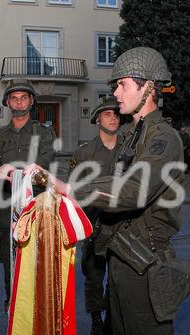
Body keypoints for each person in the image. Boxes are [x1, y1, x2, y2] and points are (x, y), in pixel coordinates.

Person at [26, 47, 184, 334]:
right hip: (121, 257)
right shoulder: (128, 137)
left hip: (146, 262)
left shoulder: (164, 139)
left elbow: (132, 191)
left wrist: (67, 187)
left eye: (122, 85)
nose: (117, 94)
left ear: (148, 88)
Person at [0, 79, 55, 311]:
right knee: (9, 263)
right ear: (7, 102)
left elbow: (45, 167)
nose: (19, 102)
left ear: (32, 101)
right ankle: (13, 305)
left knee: (39, 264)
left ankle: (38, 311)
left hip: (37, 211)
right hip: (8, 214)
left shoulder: (45, 134)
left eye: (24, 97)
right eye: (14, 98)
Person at [69, 96, 126, 335]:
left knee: (119, 277)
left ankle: (113, 316)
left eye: (115, 113)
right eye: (106, 114)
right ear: (96, 119)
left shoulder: (130, 149)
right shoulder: (84, 153)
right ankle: (95, 319)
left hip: (123, 226)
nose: (112, 117)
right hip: (94, 225)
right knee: (93, 277)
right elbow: (73, 191)